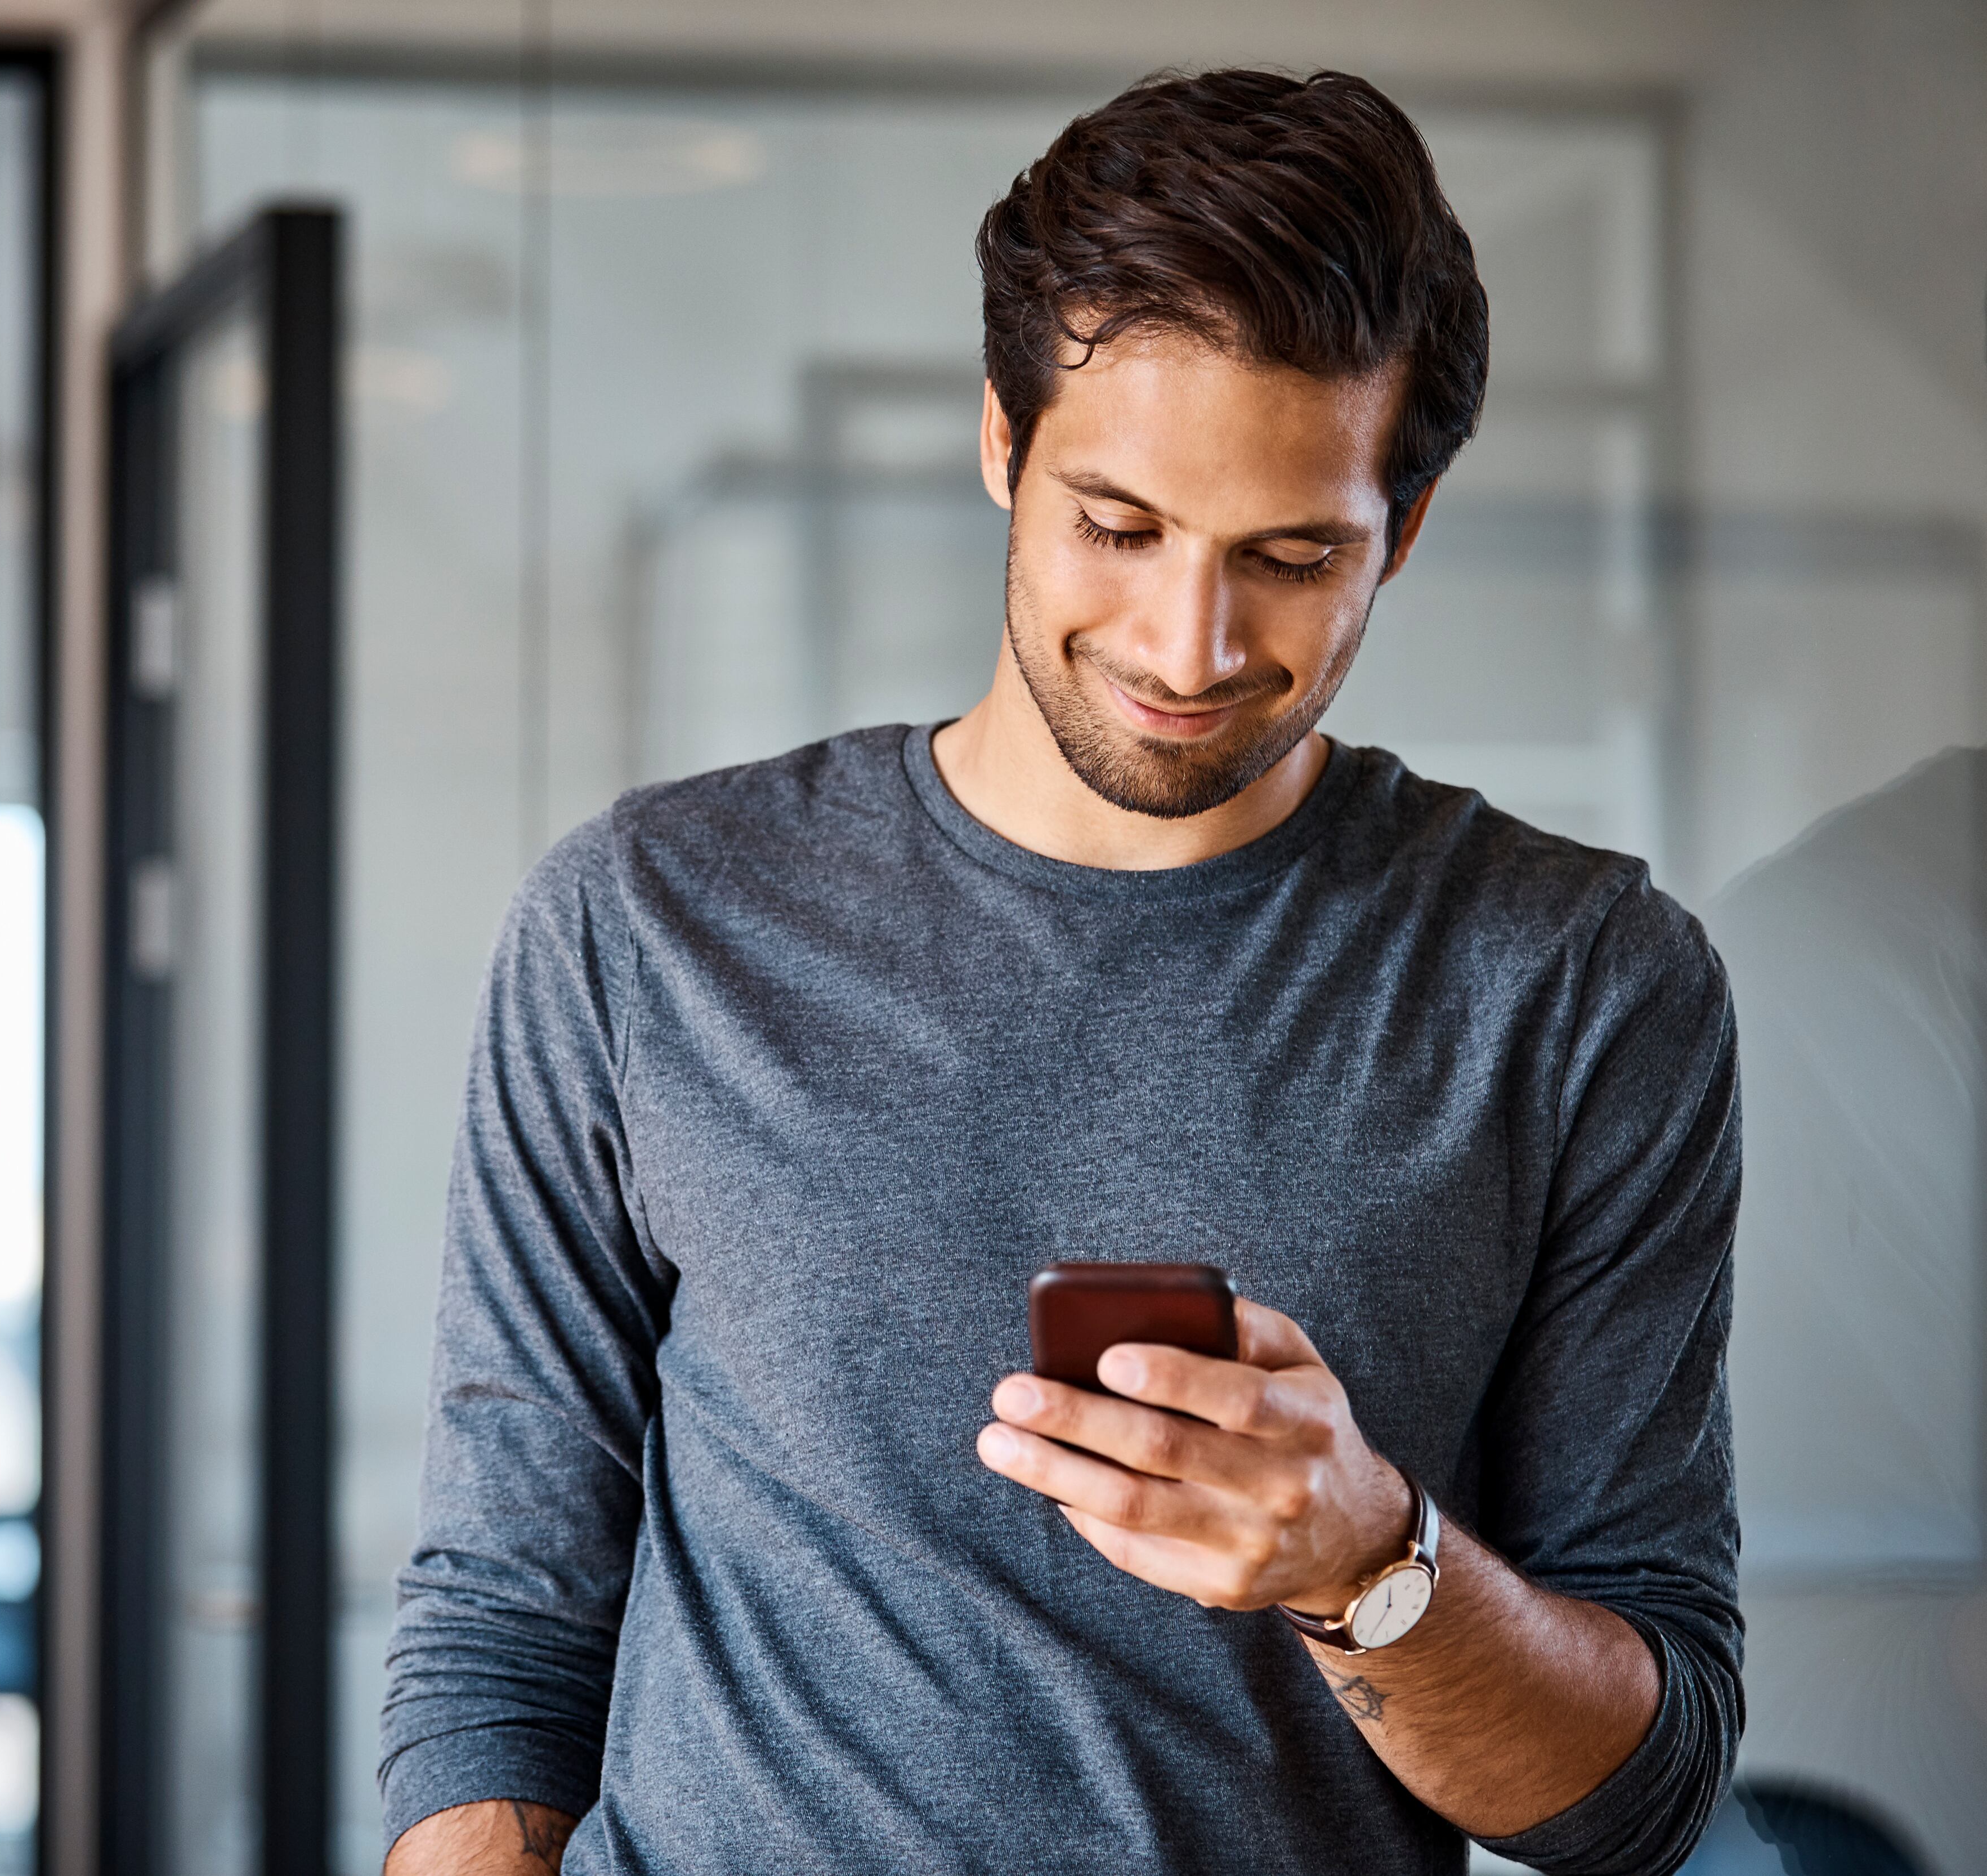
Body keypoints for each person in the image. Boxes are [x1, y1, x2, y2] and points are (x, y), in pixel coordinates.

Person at [378, 67, 1740, 1876]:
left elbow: (1637, 1802)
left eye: (1291, 556)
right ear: (1005, 449)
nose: (1191, 643)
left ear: (1401, 532)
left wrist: (1367, 1563)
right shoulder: (646, 919)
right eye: (1120, 525)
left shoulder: (1581, 985)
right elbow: (503, 1619)